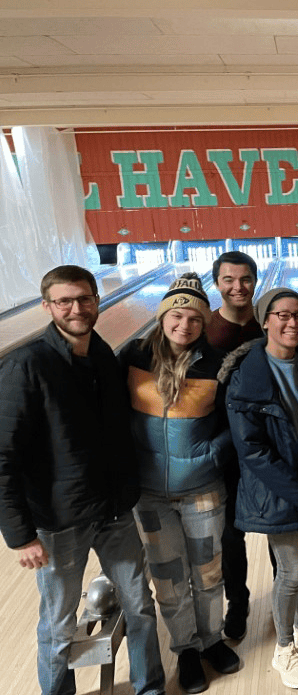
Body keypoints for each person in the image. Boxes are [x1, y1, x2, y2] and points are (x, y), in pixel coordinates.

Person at [0, 265, 165, 695]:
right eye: (64, 301)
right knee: (58, 623)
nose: (76, 308)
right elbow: (3, 457)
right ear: (46, 307)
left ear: (96, 299)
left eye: (84, 298)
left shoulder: (103, 357)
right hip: (58, 522)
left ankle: (151, 687)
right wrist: (20, 536)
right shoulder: (25, 366)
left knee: (140, 606)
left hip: (113, 510)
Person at [119, 273, 239, 693]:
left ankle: (211, 641)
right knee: (168, 579)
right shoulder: (133, 357)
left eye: (194, 318)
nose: (184, 325)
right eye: (177, 315)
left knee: (208, 575)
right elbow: (111, 416)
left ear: (204, 323)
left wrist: (211, 454)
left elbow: (233, 423)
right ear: (163, 316)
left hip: (202, 489)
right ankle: (186, 649)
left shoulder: (216, 363)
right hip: (149, 495)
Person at [223, 288, 298, 689]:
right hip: (282, 493)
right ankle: (283, 648)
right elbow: (253, 451)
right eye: (282, 315)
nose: (292, 322)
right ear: (265, 322)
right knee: (291, 572)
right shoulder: (247, 378)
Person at [206, 250, 262, 641]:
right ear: (217, 284)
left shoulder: (271, 324)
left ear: (255, 280)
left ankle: (289, 599)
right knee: (230, 534)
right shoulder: (201, 330)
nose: (237, 287)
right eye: (229, 280)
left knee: (282, 528)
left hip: (268, 444)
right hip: (223, 449)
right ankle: (237, 603)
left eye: (244, 279)